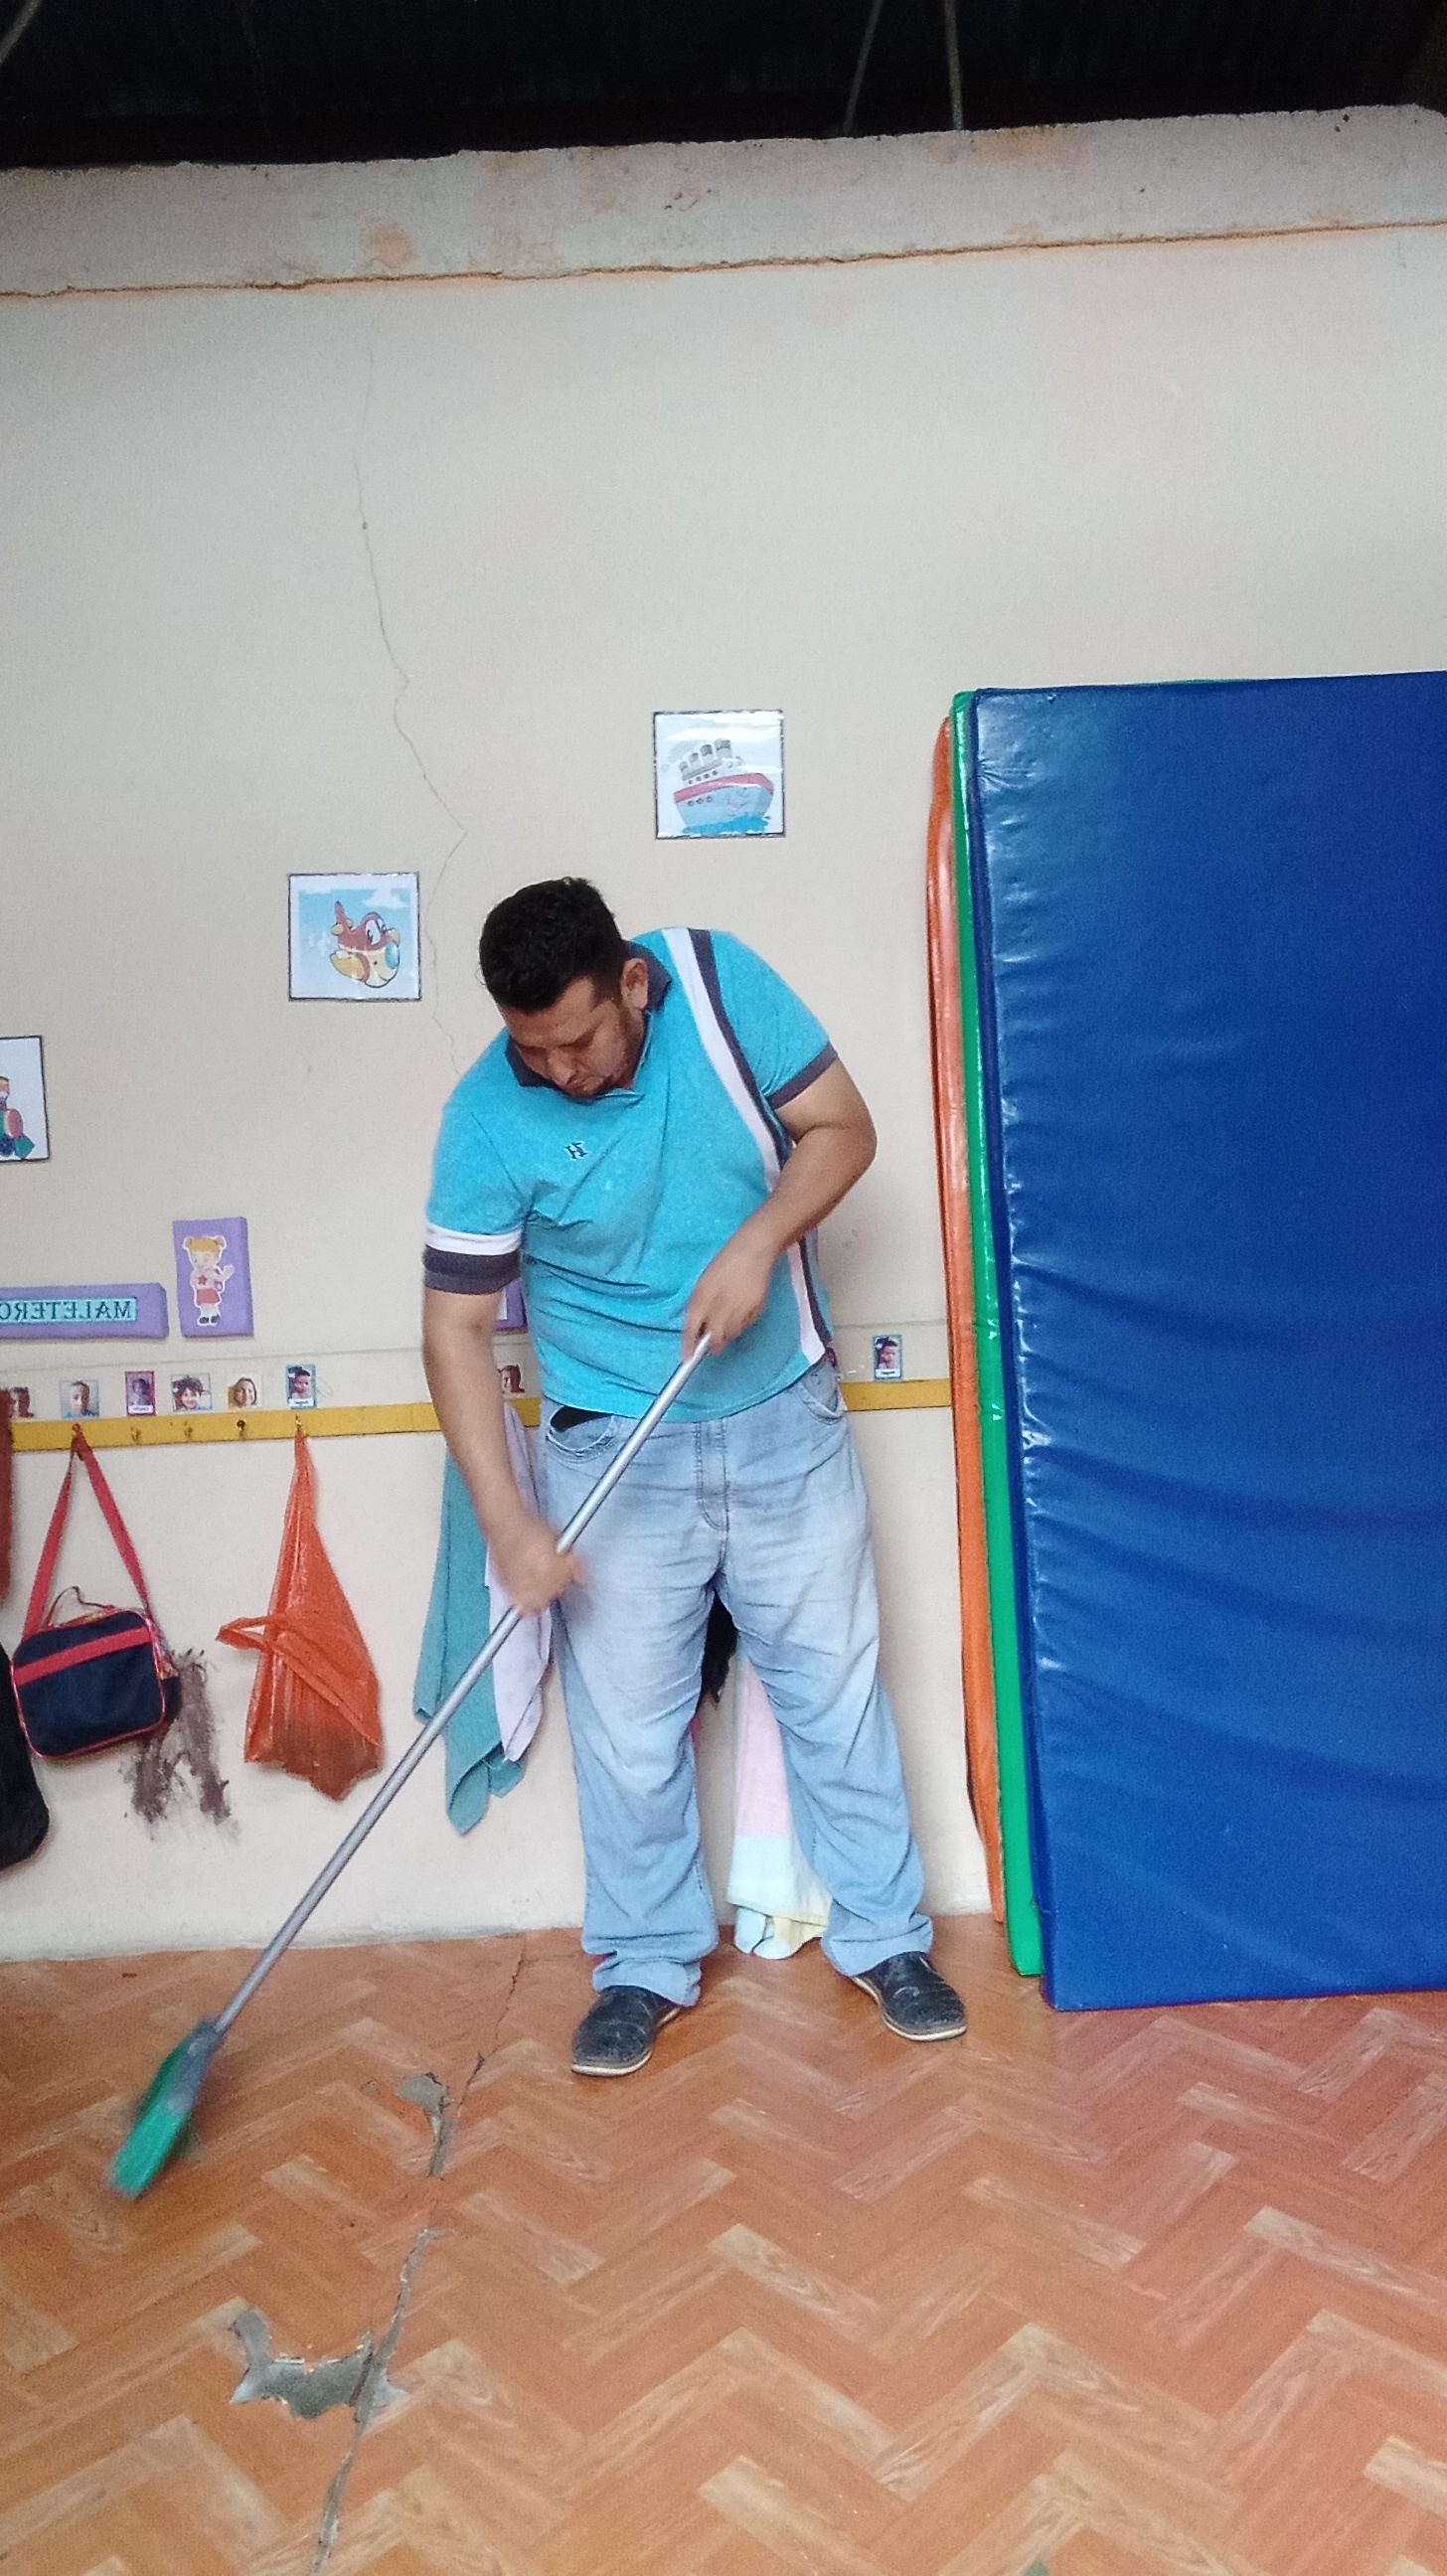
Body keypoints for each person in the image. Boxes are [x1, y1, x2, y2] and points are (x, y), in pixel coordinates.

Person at [422, 879, 965, 2076]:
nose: (558, 1071)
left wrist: (758, 1241)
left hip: (783, 1420)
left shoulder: (719, 989)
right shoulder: (485, 1118)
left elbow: (845, 1130)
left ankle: (888, 1941)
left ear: (632, 982)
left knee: (834, 1696)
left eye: (576, 1040)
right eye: (530, 1049)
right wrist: (509, 1522)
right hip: (611, 1447)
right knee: (628, 1736)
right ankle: (644, 1962)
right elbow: (453, 1329)